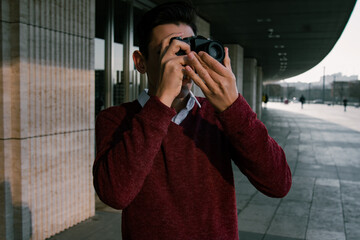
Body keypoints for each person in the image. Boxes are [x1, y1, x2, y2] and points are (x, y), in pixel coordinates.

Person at [93, 2, 292, 240]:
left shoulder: (217, 114)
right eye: (170, 51)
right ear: (140, 62)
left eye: (189, 49)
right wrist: (162, 101)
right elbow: (115, 194)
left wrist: (234, 107)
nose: (184, 60)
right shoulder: (115, 119)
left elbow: (278, 183)